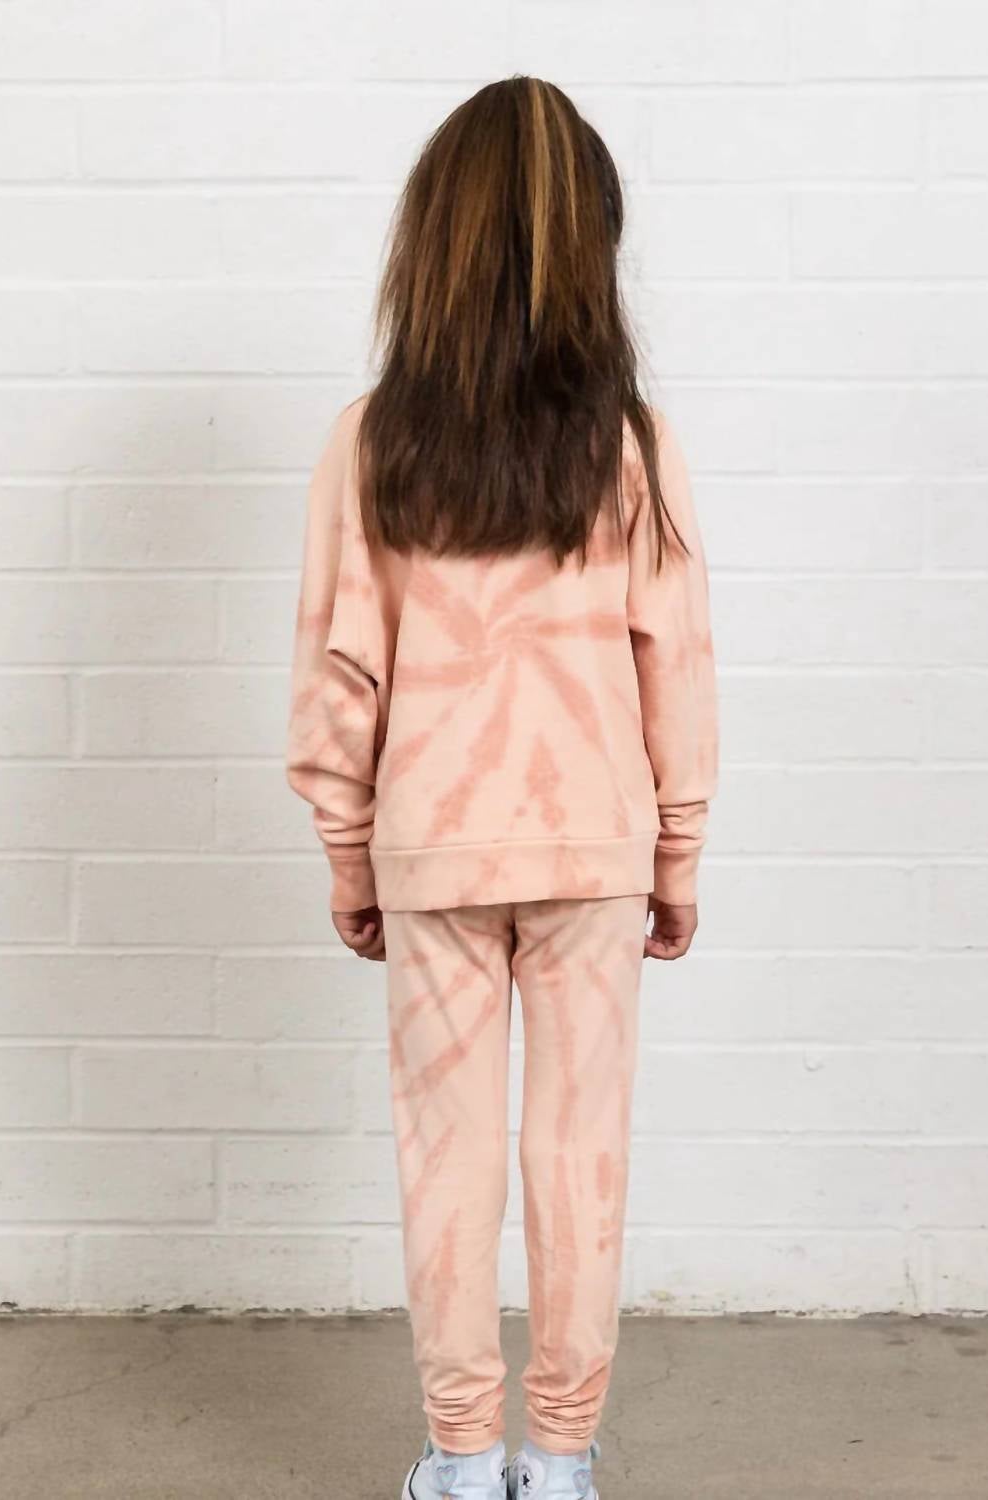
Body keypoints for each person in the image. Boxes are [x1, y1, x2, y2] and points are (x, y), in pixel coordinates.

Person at [285, 75, 717, 1500]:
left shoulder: (374, 442)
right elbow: (675, 663)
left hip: (434, 844)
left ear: (434, 242)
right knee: (581, 1155)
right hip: (594, 844)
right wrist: (677, 855)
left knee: (446, 1157)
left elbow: (340, 667)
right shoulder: (630, 444)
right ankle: (562, 1455)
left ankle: (465, 1463)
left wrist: (351, 854)